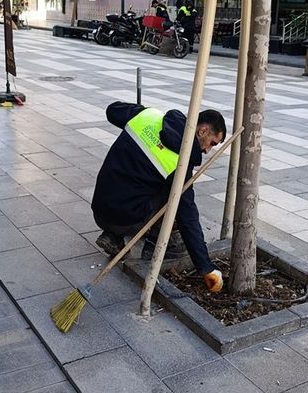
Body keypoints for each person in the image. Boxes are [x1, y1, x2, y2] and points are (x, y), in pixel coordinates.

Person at [92, 101, 226, 293]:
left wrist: (141, 114)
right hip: (125, 219)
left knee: (139, 180)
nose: (207, 150)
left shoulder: (150, 116)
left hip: (99, 207)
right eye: (212, 143)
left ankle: (112, 237)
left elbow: (112, 110)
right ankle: (155, 242)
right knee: (174, 198)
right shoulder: (179, 165)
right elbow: (188, 218)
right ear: (202, 131)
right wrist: (206, 267)